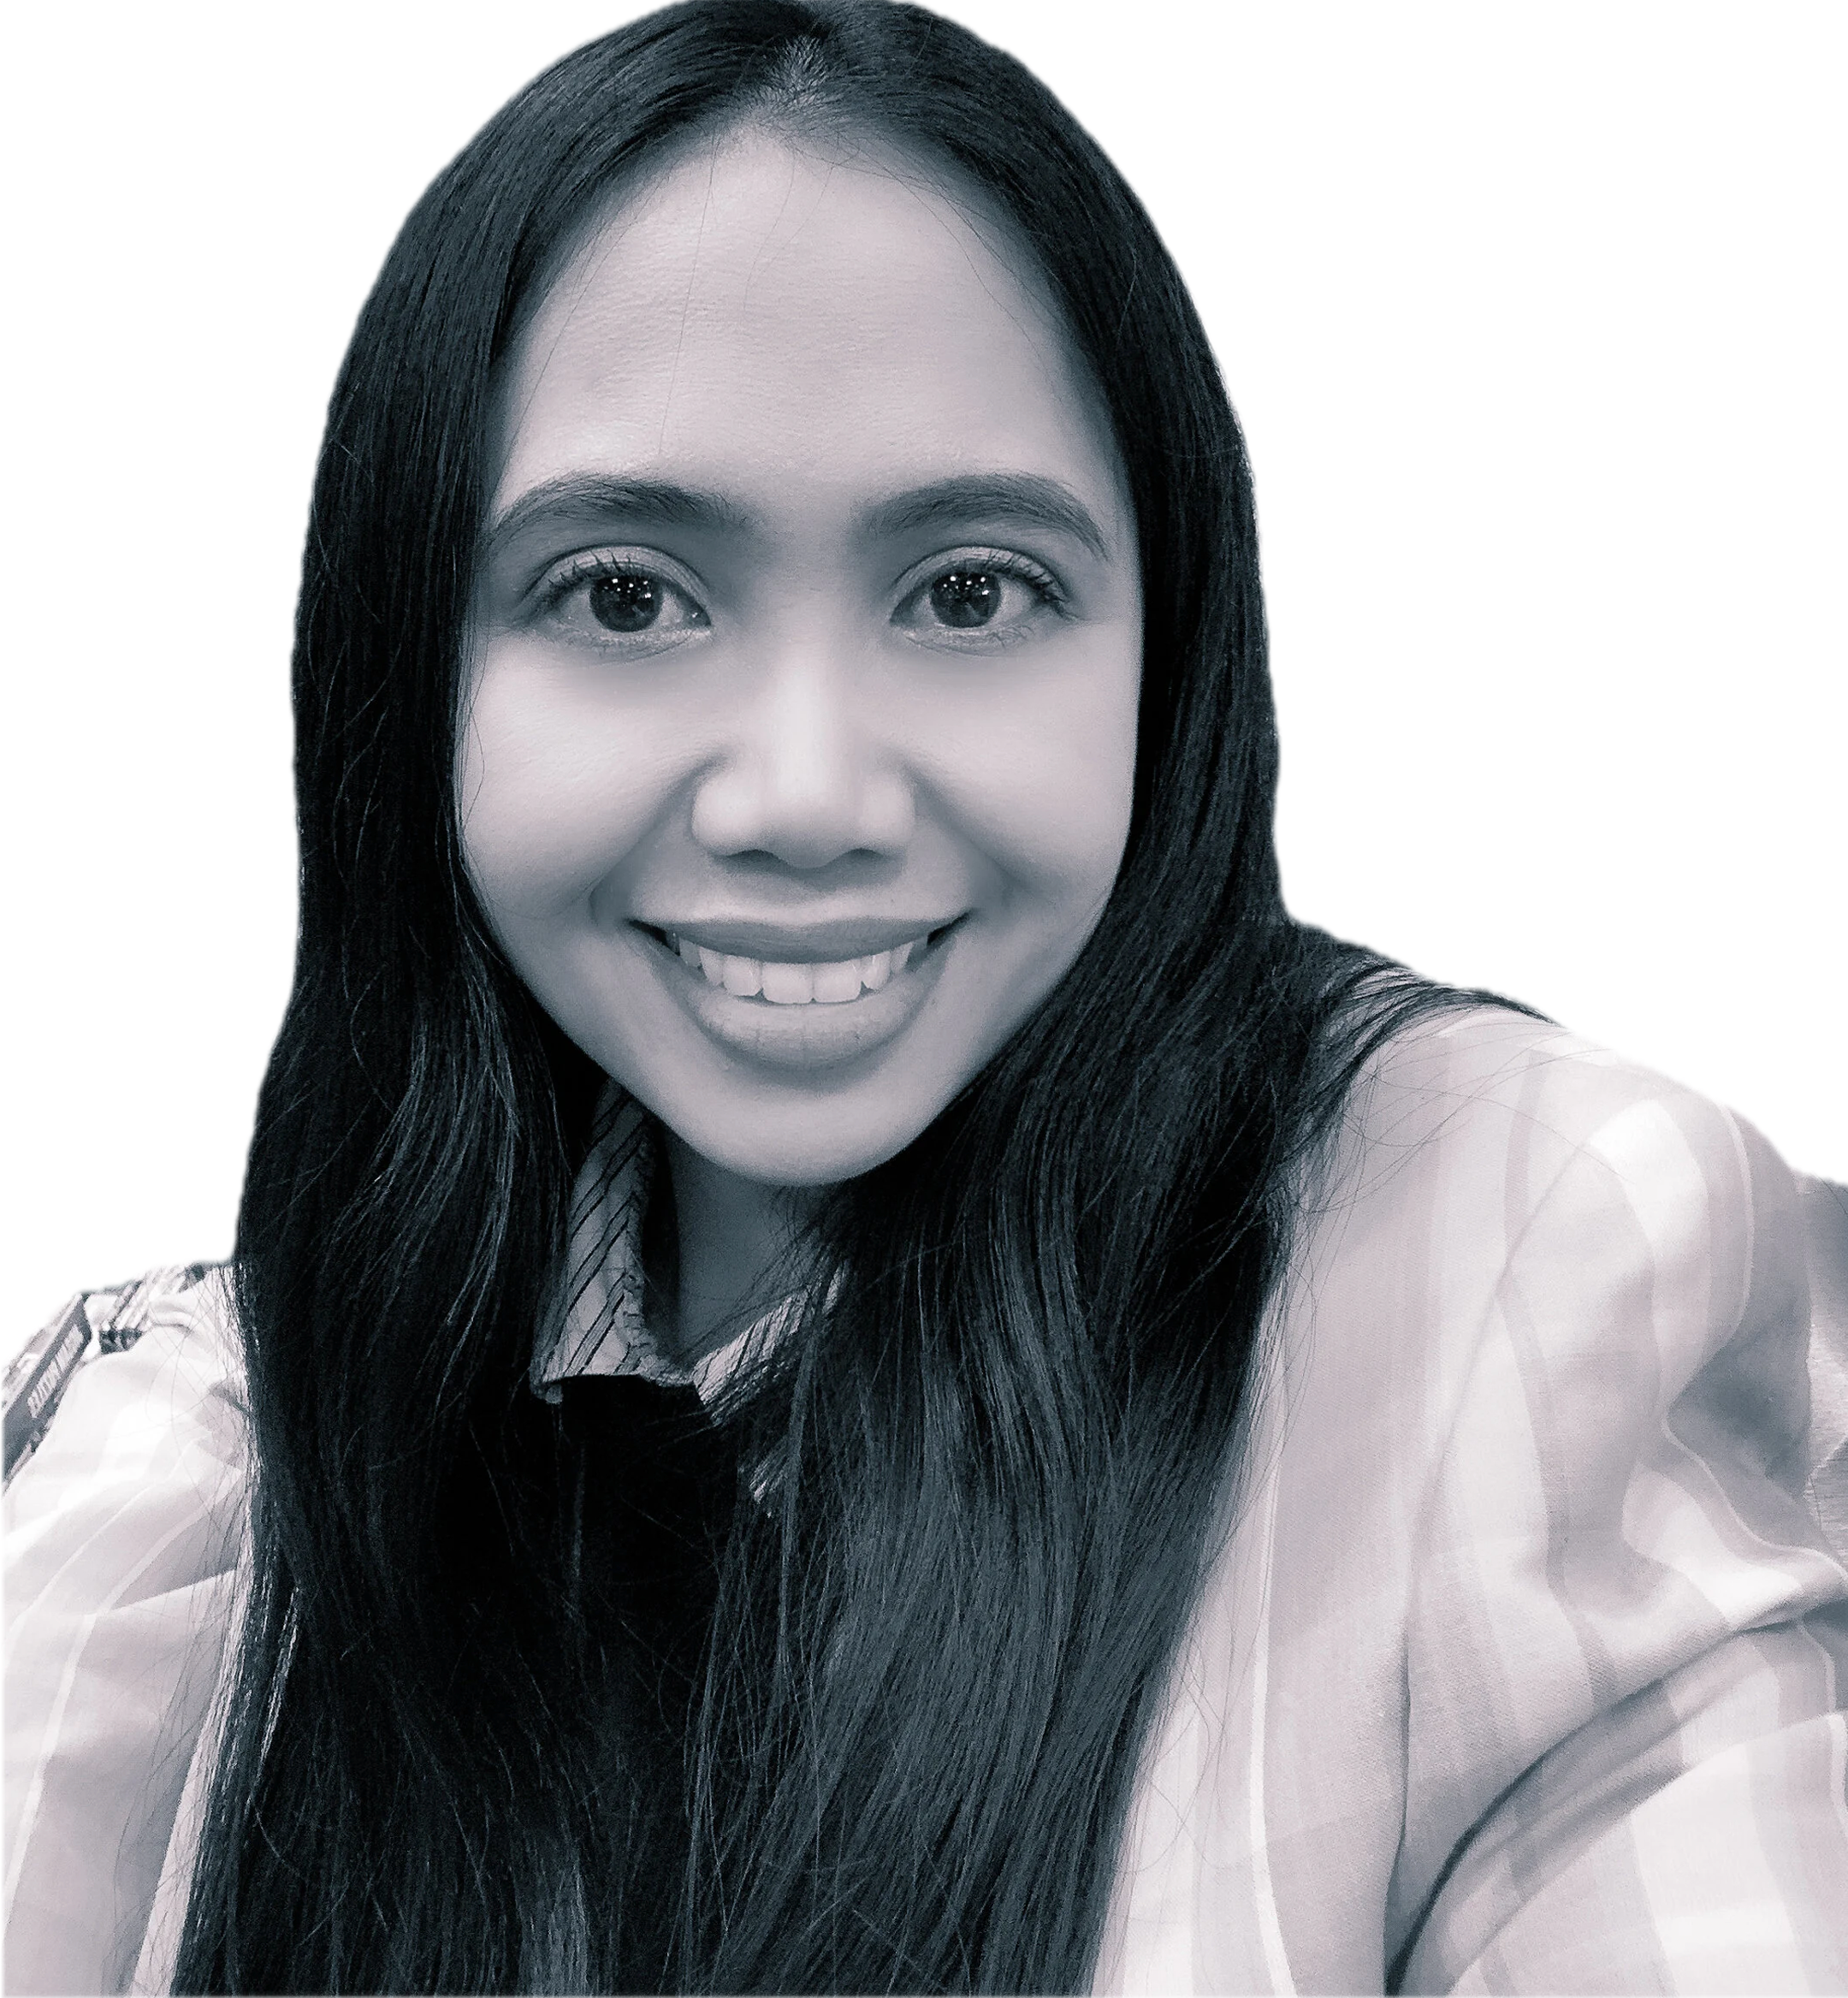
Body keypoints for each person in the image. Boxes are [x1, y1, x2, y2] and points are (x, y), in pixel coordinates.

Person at [5, 2, 1845, 1991]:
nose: (808, 799)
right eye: (626, 593)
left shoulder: (1530, 1277)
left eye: (970, 591)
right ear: (407, 673)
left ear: (1175, 643)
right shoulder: (198, 1469)